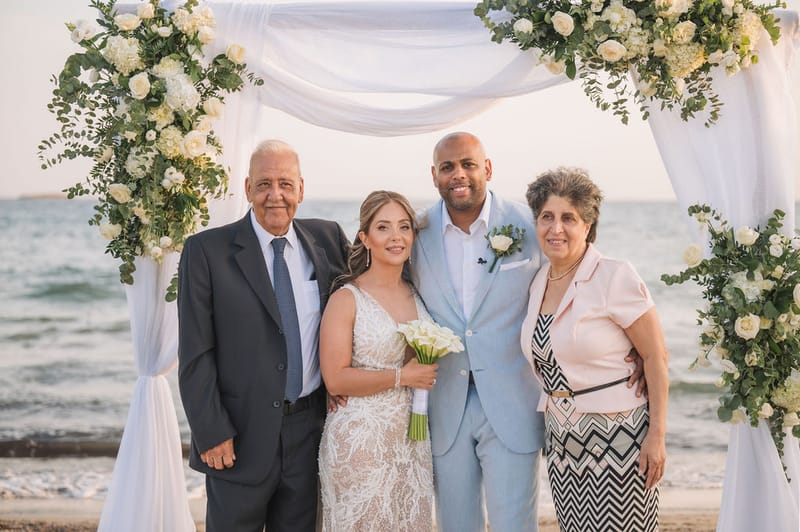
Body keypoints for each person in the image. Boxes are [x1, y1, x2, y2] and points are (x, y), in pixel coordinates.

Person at [177, 139, 350, 532]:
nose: (276, 195)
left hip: (310, 433)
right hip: (237, 438)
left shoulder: (328, 239)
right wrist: (211, 431)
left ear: (301, 189)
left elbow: (365, 302)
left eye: (286, 184)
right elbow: (195, 353)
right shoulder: (207, 251)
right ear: (247, 188)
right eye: (265, 184)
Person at [410, 132, 545, 531]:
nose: (459, 174)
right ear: (434, 175)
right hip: (444, 404)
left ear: (487, 168)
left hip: (512, 402)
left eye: (468, 164)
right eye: (448, 167)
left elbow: (565, 290)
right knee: (455, 525)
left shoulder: (530, 226)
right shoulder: (414, 233)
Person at [520, 167, 669, 531]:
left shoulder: (614, 275)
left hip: (619, 438)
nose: (556, 229)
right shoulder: (539, 279)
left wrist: (657, 437)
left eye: (568, 218)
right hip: (562, 440)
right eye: (546, 218)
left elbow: (655, 357)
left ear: (588, 225)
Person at [318, 190, 438, 531]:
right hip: (360, 441)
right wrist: (404, 377)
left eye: (404, 227)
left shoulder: (418, 292)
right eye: (383, 228)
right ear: (365, 238)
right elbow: (336, 379)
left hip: (412, 441)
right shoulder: (347, 298)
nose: (396, 236)